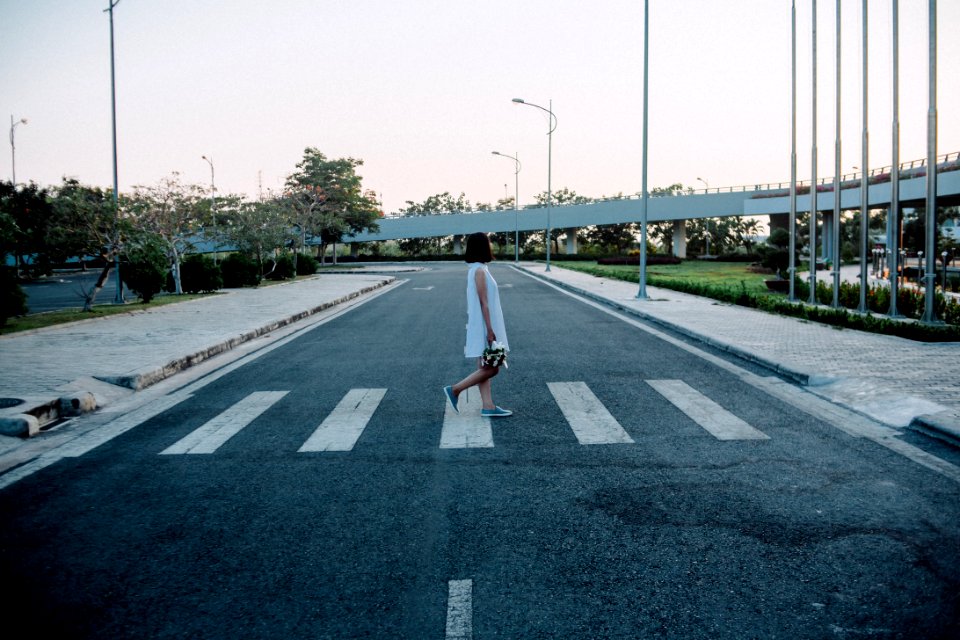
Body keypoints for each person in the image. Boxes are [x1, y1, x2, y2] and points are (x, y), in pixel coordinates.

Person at [443, 232, 512, 417]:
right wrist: (490, 330)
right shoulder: (479, 271)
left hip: (481, 325)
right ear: (484, 247)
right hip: (483, 326)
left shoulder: (477, 268)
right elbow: (484, 303)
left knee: (484, 368)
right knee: (493, 368)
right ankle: (455, 390)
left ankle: (488, 406)